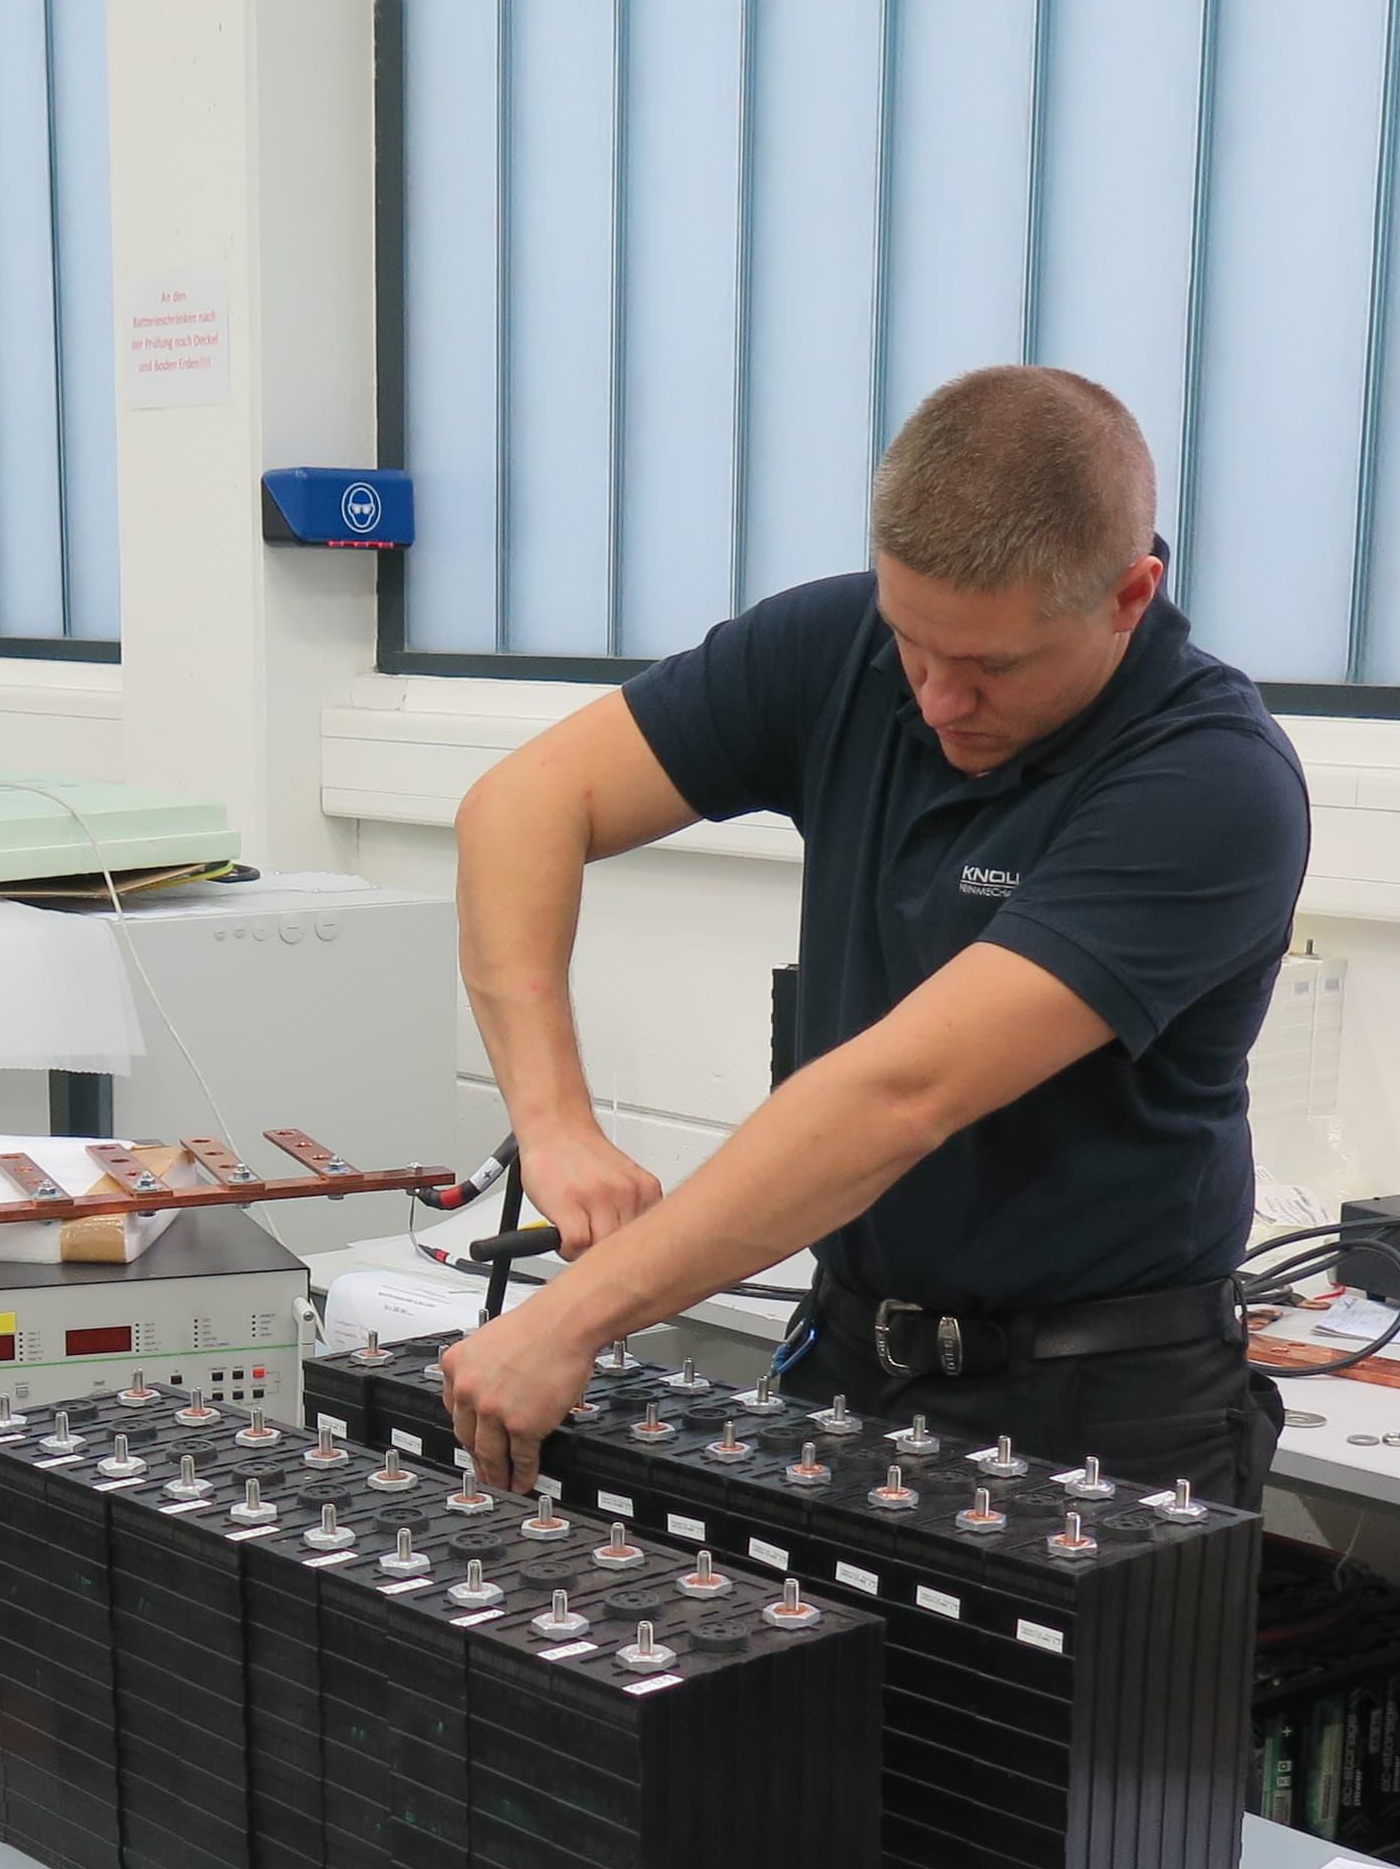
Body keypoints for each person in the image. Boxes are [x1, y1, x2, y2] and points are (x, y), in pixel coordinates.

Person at [441, 364, 1309, 1505]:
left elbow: (901, 1094)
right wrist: (552, 1126)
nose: (939, 698)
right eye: (914, 641)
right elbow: (521, 808)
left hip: (1101, 1412)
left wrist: (574, 1319)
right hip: (852, 1362)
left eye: (994, 664)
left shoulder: (1209, 784)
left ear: (1128, 598)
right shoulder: (841, 644)